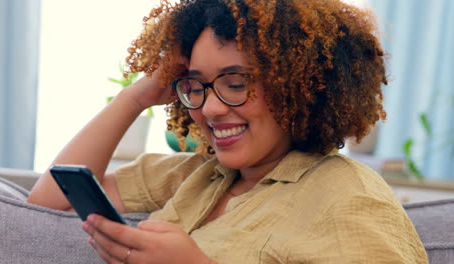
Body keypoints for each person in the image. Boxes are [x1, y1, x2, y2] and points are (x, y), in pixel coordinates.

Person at [27, 0, 428, 263]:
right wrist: (134, 98)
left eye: (236, 84)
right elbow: (48, 201)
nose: (211, 108)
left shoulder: (349, 196)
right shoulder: (195, 175)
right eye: (195, 85)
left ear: (301, 87)